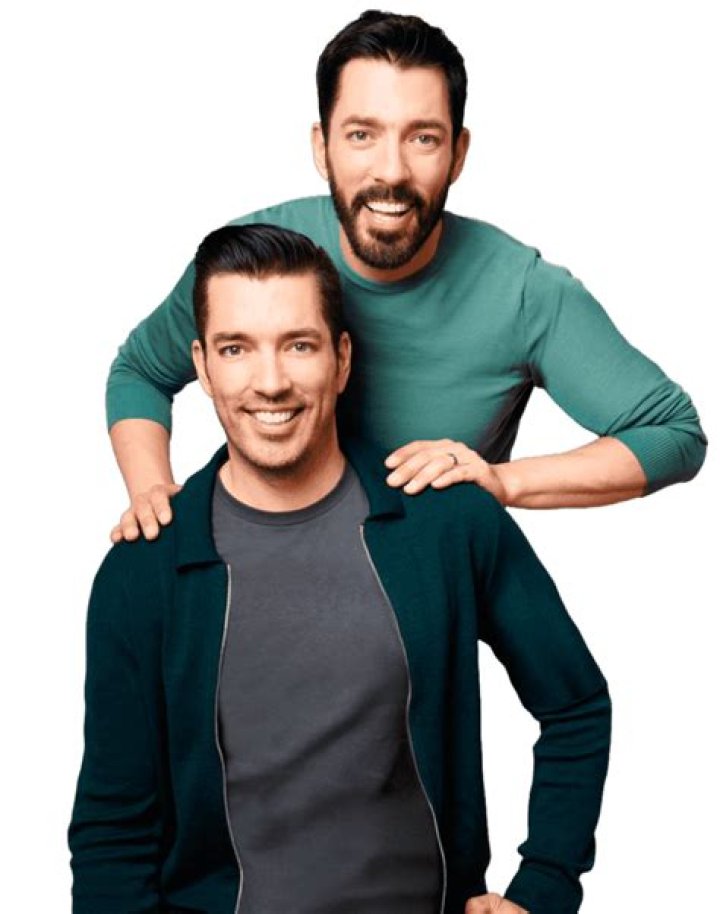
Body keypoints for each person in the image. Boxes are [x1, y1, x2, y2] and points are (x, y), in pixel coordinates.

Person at [70, 224, 611, 914]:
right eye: (236, 349)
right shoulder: (146, 567)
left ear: (342, 359)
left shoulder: (447, 522)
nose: (270, 383)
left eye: (299, 345)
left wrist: (545, 886)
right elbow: (114, 831)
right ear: (202, 367)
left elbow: (575, 705)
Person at [106, 10, 706, 544]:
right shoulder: (249, 264)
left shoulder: (525, 293)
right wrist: (153, 491)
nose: (390, 171)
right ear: (322, 147)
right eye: (361, 135)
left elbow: (673, 434)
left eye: (422, 138)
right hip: (265, 580)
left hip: (426, 606)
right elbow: (141, 371)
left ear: (458, 154)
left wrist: (502, 482)